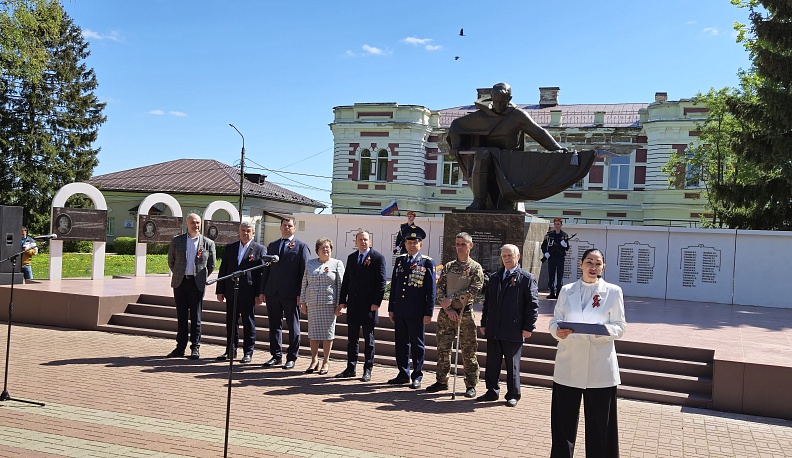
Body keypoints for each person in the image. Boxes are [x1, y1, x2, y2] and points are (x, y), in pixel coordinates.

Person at [447, 82, 593, 211]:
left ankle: (507, 199)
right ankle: (479, 201)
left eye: (502, 102)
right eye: (495, 101)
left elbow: (538, 132)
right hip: (488, 155)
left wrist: (556, 148)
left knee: (506, 187)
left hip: (510, 158)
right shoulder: (484, 114)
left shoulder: (517, 115)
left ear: (509, 100)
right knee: (481, 155)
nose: (498, 105)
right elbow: (457, 125)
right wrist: (456, 145)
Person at [549, 248, 626, 458]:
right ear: (581, 264)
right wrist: (557, 331)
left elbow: (620, 325)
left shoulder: (613, 292)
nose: (593, 267)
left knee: (601, 426)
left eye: (598, 263)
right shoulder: (566, 290)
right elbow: (554, 321)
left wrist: (605, 331)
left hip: (599, 366)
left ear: (603, 267)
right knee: (563, 424)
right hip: (569, 363)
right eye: (589, 262)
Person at [478, 244, 538, 407]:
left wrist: (528, 327)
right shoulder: (496, 277)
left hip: (514, 329)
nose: (507, 259)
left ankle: (513, 394)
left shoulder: (526, 278)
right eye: (504, 256)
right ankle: (492, 391)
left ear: (518, 256)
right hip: (494, 328)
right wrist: (484, 323)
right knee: (492, 362)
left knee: (512, 365)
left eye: (510, 256)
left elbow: (532, 305)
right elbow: (488, 303)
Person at [426, 232, 484, 398]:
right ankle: (441, 381)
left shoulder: (475, 268)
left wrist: (452, 300)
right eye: (457, 244)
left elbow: (474, 290)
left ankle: (471, 384)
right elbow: (440, 288)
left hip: (464, 314)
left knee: (468, 351)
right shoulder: (449, 266)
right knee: (443, 349)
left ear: (470, 246)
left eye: (463, 244)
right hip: (446, 315)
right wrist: (447, 308)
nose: (459, 247)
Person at [387, 227, 436, 389]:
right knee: (401, 343)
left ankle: (417, 375)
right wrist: (391, 308)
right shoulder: (400, 261)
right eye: (409, 242)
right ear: (405, 244)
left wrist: (428, 312)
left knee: (417, 345)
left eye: (415, 242)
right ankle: (403, 373)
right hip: (400, 310)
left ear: (420, 245)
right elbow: (394, 287)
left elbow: (431, 290)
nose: (412, 245)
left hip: (417, 312)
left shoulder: (427, 262)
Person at [334, 230, 386, 382]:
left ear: (370, 241)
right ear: (355, 242)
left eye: (365, 239)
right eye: (360, 239)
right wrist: (342, 301)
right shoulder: (351, 258)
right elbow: (346, 281)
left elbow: (381, 282)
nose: (363, 242)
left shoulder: (377, 258)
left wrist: (376, 302)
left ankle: (367, 370)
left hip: (369, 306)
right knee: (352, 339)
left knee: (368, 340)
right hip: (354, 305)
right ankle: (351, 368)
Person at [259, 217, 310, 369]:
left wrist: (302, 294)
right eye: (284, 225)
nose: (287, 228)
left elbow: (304, 273)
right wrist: (263, 291)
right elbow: (266, 270)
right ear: (280, 227)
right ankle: (276, 355)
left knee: (293, 326)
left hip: (291, 294)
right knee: (274, 325)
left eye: (290, 225)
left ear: (294, 228)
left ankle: (292, 357)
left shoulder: (301, 247)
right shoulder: (273, 246)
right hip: (273, 292)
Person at [166, 213, 216, 359]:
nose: (196, 225)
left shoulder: (207, 243)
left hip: (196, 284)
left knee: (196, 317)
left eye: (198, 223)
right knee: (181, 317)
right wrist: (179, 273)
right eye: (193, 223)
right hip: (180, 283)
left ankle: (195, 347)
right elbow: (171, 261)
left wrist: (201, 277)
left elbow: (211, 265)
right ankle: (180, 347)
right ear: (186, 224)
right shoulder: (177, 241)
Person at [215, 221, 265, 363]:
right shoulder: (231, 248)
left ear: (253, 233)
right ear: (239, 231)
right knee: (231, 323)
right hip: (232, 291)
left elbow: (261, 274)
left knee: (248, 323)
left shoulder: (259, 249)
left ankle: (248, 352)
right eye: (243, 230)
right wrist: (220, 290)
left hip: (249, 293)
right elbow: (223, 269)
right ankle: (230, 350)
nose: (245, 233)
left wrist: (259, 294)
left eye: (248, 230)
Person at [299, 238, 345, 375]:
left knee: (327, 334)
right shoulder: (310, 263)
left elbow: (341, 285)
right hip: (313, 303)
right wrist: (303, 301)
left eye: (328, 248)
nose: (325, 250)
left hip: (329, 304)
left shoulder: (337, 264)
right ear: (317, 250)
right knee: (313, 334)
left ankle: (326, 361)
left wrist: (340, 305)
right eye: (322, 248)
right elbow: (304, 283)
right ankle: (314, 360)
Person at [542, 218, 571, 299]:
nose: (556, 226)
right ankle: (551, 292)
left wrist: (565, 245)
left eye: (558, 224)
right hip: (552, 257)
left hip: (560, 257)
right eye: (555, 224)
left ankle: (558, 293)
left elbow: (567, 248)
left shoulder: (564, 235)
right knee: (551, 274)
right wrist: (546, 253)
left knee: (559, 275)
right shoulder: (549, 235)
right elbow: (543, 246)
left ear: (561, 225)